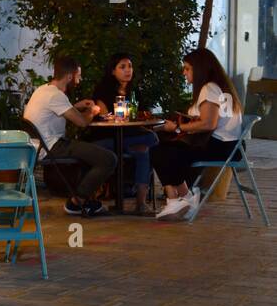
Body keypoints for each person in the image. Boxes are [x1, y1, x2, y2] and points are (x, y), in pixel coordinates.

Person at [149, 48, 244, 220]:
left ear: (199, 69)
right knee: (163, 149)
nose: (184, 72)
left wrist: (177, 128)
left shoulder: (209, 88)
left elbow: (209, 123)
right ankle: (181, 198)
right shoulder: (219, 86)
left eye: (187, 68)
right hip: (230, 146)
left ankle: (178, 198)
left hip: (221, 146)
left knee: (159, 151)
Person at [23, 56, 117, 216]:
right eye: (78, 76)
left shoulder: (44, 90)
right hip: (52, 146)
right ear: (69, 76)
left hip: (39, 145)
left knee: (92, 152)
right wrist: (93, 111)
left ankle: (84, 199)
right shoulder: (56, 96)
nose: (79, 80)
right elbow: (81, 122)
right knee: (109, 159)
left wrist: (76, 106)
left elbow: (56, 112)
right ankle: (77, 202)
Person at [87, 53, 160, 215]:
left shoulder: (134, 90)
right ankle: (137, 203)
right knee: (151, 138)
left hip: (128, 138)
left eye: (130, 66)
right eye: (122, 67)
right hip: (105, 139)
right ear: (113, 71)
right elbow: (105, 117)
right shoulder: (103, 89)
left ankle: (140, 204)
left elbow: (143, 113)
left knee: (143, 151)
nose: (128, 70)